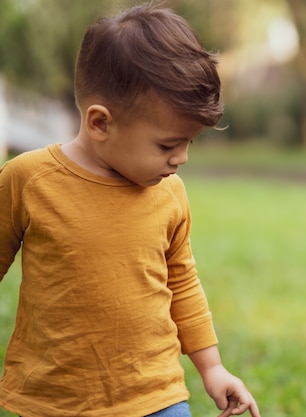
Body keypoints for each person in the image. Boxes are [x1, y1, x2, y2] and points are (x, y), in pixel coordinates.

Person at [0, 3, 260, 417]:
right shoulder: (29, 180)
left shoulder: (170, 193)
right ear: (101, 123)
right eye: (167, 145)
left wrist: (212, 368)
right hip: (55, 402)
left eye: (189, 143)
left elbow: (183, 283)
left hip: (158, 396)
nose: (182, 159)